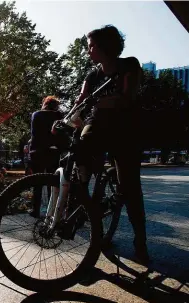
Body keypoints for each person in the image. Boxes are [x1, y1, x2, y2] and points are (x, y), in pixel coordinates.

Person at [68, 25, 149, 264]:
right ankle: (82, 197)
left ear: (106, 46)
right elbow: (81, 100)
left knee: (130, 188)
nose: (88, 51)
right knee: (81, 147)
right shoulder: (92, 75)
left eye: (92, 46)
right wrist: (64, 118)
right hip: (99, 124)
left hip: (126, 130)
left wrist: (106, 101)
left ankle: (140, 240)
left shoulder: (129, 65)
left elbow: (128, 97)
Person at [30, 96, 64, 219]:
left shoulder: (36, 115)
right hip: (53, 152)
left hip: (37, 151)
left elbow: (34, 134)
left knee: (37, 182)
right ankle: (51, 212)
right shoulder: (59, 116)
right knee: (52, 182)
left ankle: (35, 210)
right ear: (55, 105)